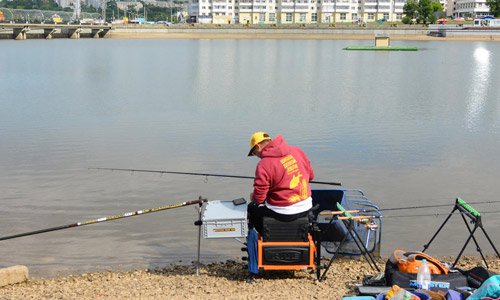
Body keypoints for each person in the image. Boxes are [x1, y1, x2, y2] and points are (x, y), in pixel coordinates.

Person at [247, 131, 315, 234]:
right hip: (306, 207)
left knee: (252, 208)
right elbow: (311, 176)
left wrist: (254, 197)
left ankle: (264, 238)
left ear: (258, 147)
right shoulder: (297, 151)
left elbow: (260, 198)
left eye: (254, 153)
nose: (257, 156)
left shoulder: (263, 164)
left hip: (282, 213)